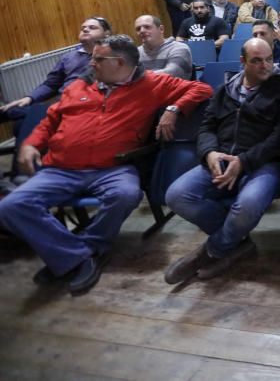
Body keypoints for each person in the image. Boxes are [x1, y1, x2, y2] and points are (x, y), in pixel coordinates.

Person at [0, 35, 212, 294]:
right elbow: (50, 121)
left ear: (119, 62)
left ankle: (76, 253)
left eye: (99, 59)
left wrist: (174, 110)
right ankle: (80, 256)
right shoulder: (79, 86)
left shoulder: (151, 83)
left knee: (126, 194)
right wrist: (31, 143)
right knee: (11, 205)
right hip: (61, 168)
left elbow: (202, 89)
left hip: (113, 168)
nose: (92, 63)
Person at [164, 38, 280, 284]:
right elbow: (206, 127)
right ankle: (237, 240)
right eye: (257, 61)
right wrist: (209, 153)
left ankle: (210, 251)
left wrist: (244, 161)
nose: (266, 65)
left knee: (247, 205)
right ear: (242, 62)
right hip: (221, 158)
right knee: (176, 195)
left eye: (269, 59)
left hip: (265, 163)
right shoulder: (225, 90)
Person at [1, 16, 112, 123]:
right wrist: (29, 98)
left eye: (92, 27)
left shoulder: (114, 55)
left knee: (29, 116)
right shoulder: (68, 57)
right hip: (62, 102)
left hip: (89, 105)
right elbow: (51, 84)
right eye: (83, 28)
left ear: (107, 34)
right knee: (21, 119)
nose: (86, 29)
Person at [135, 14, 193, 79]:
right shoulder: (135, 52)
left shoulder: (179, 48)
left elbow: (172, 74)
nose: (142, 31)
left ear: (161, 29)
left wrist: (137, 77)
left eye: (147, 27)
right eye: (138, 29)